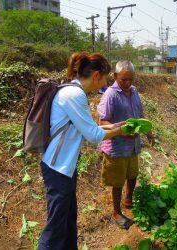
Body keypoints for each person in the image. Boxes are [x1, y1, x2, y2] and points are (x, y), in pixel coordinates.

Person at [38, 52, 126, 250]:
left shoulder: (74, 92)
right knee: (55, 228)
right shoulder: (74, 94)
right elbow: (93, 135)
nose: (104, 83)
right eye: (104, 78)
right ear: (96, 75)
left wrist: (115, 126)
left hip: (65, 168)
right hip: (57, 168)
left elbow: (89, 129)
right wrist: (121, 131)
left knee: (68, 220)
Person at [97, 60, 154, 229]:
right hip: (116, 145)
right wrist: (120, 129)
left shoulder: (134, 91)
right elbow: (102, 120)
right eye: (124, 80)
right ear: (115, 76)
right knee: (117, 181)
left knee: (132, 174)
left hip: (133, 144)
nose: (128, 83)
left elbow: (140, 114)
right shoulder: (110, 95)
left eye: (131, 79)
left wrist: (149, 132)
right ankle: (116, 211)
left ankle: (129, 200)